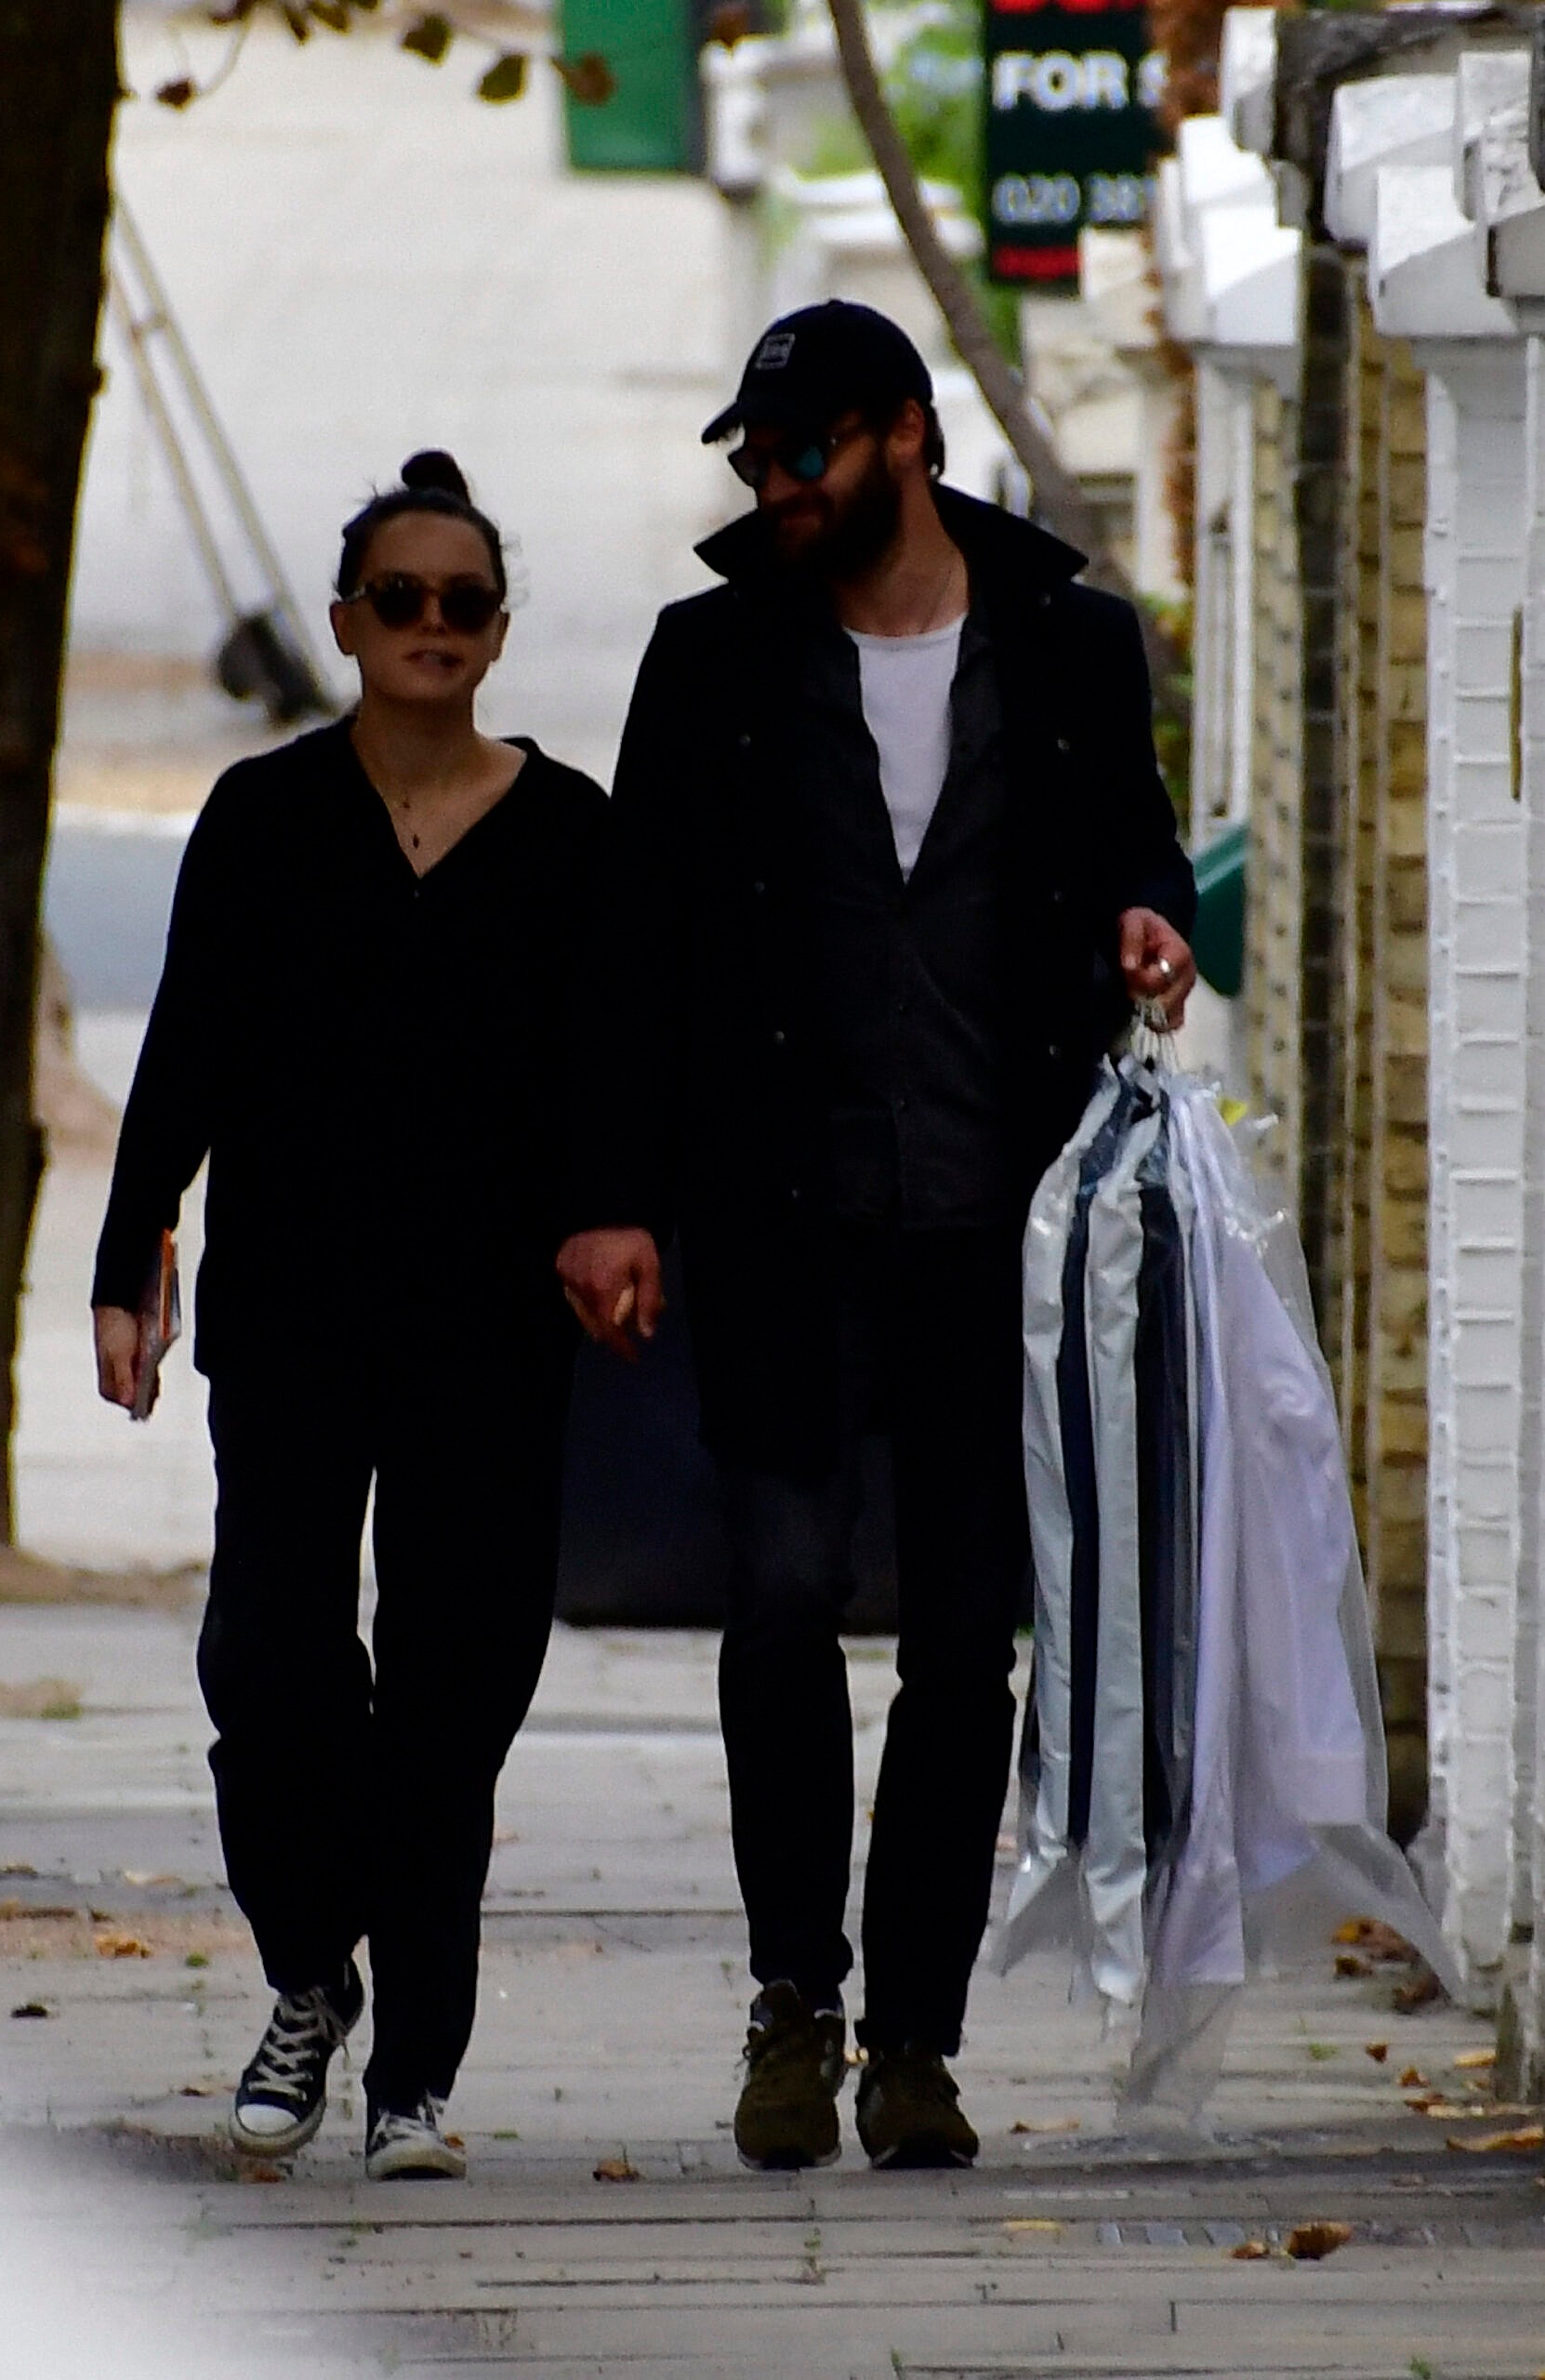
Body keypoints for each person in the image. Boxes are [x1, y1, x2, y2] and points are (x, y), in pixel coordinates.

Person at [557, 303, 1196, 2173]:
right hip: (773, 1210)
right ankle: (791, 2003)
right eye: (752, 461)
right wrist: (606, 1194)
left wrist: (1148, 918)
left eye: (800, 454)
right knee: (772, 1597)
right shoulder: (710, 659)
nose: (769, 486)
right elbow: (634, 943)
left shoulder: (1070, 643)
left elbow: (1136, 843)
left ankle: (911, 2036)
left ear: (901, 436)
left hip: (992, 1222)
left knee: (958, 1640)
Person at [92, 452, 605, 2180]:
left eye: (464, 604)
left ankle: (415, 2080)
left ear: (497, 631)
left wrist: (620, 1223)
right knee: (268, 1664)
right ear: (344, 621)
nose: (433, 628)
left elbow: (627, 1073)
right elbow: (183, 1056)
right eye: (402, 599)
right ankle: (310, 1973)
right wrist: (128, 1257)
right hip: (294, 1312)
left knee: (455, 1691)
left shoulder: (572, 832)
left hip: (491, 1326)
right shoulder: (262, 819)